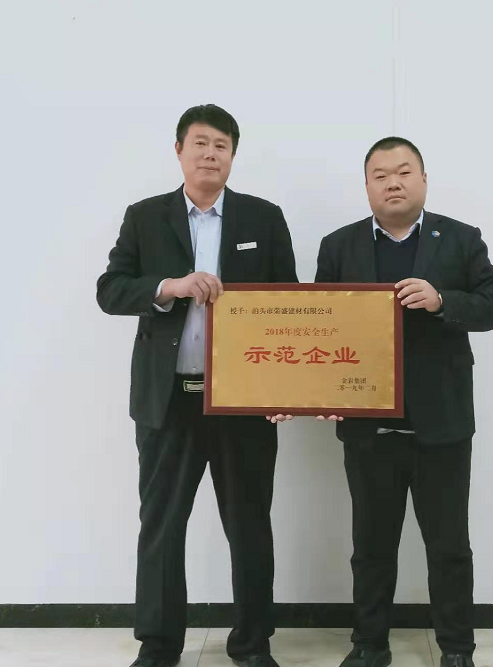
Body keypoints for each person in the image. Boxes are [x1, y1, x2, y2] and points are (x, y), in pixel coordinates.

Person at [97, 104, 298, 667]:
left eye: (221, 146)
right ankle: (159, 645)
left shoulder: (263, 217)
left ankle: (252, 644)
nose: (211, 154)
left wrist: (285, 387)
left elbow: (288, 303)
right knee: (161, 526)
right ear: (180, 150)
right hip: (168, 399)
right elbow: (111, 289)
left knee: (250, 525)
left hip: (244, 400)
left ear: (233, 155)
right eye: (201, 143)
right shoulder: (145, 216)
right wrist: (170, 286)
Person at [315, 137, 493, 667]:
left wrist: (442, 300)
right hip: (368, 425)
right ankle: (369, 644)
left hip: (441, 423)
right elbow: (322, 325)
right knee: (371, 547)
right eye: (380, 175)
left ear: (423, 179)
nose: (393, 183)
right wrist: (319, 391)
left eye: (403, 172)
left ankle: (457, 648)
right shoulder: (339, 245)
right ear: (367, 186)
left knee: (449, 546)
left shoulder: (461, 239)